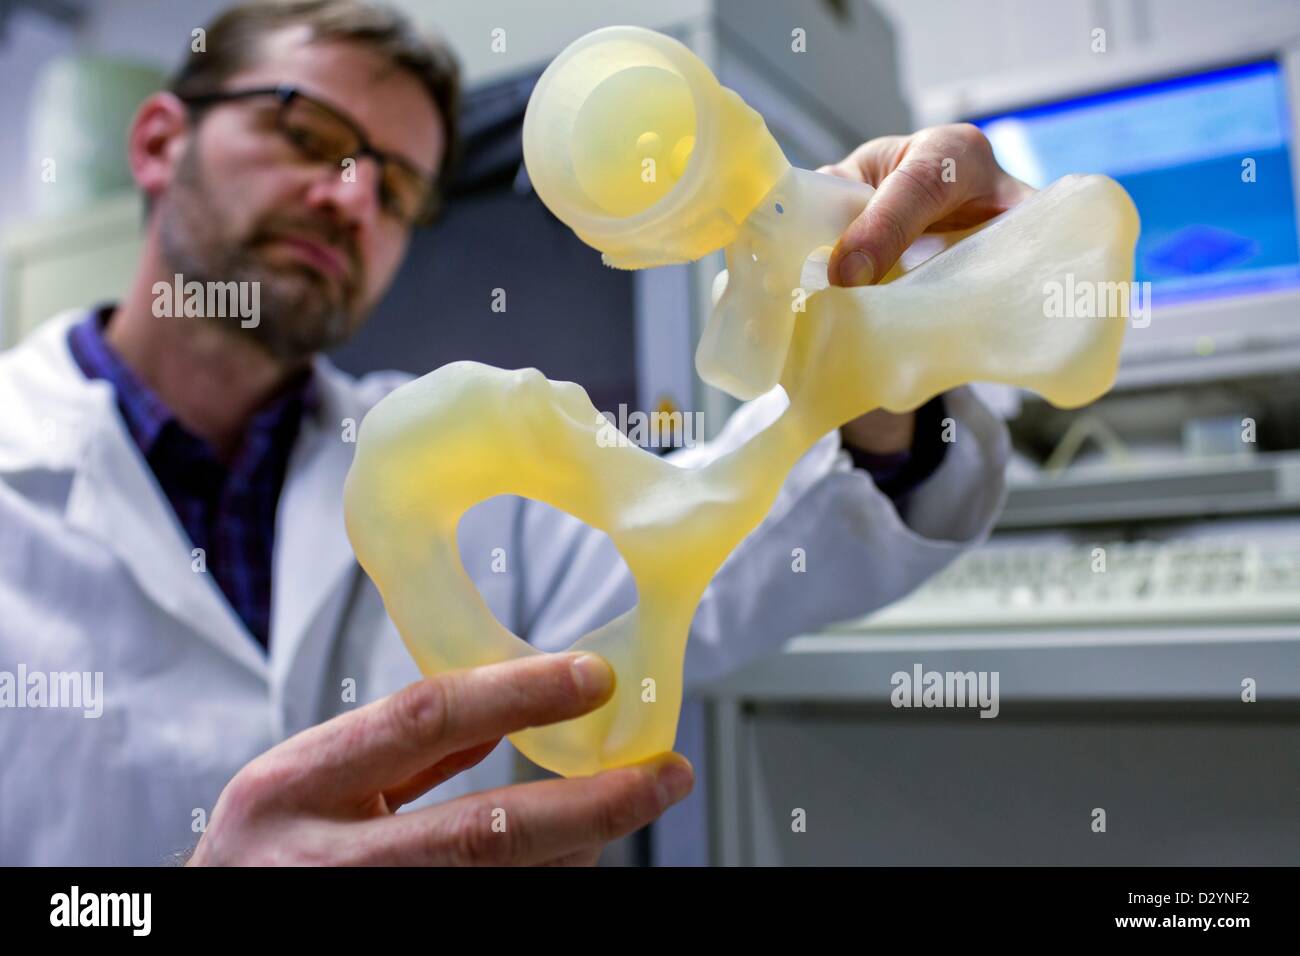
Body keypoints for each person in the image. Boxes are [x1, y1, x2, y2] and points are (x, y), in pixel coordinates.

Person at [0, 0, 1020, 865]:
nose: (352, 196)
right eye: (306, 134)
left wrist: (877, 335)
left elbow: (730, 545)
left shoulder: (461, 461)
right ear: (157, 142)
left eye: (396, 186)